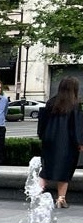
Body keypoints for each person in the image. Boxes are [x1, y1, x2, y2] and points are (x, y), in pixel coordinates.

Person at [36, 76, 83, 208]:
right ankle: (61, 198)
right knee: (65, 169)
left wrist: (43, 136)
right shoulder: (74, 104)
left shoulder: (51, 102)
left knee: (46, 168)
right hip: (66, 142)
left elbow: (42, 123)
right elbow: (76, 126)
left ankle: (37, 194)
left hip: (49, 140)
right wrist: (80, 142)